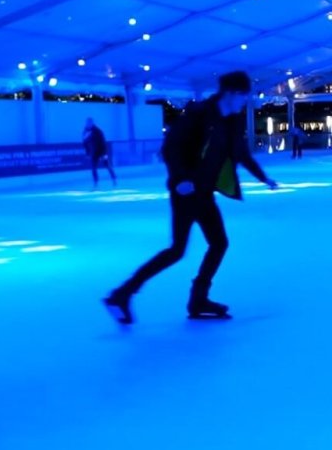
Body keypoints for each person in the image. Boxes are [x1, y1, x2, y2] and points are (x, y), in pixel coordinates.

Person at [103, 71, 278, 324]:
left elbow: (240, 153)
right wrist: (180, 179)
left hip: (205, 192)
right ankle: (122, 294)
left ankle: (198, 299)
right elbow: (171, 148)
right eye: (244, 96)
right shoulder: (199, 113)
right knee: (177, 250)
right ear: (232, 93)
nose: (245, 101)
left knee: (218, 243)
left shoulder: (233, 121)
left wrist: (264, 178)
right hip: (186, 192)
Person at [82, 118, 117, 190]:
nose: (88, 124)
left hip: (102, 151)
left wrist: (104, 153)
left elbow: (103, 142)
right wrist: (87, 152)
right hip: (94, 152)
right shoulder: (85, 131)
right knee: (93, 168)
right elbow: (85, 143)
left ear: (92, 123)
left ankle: (114, 179)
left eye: (90, 123)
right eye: (87, 123)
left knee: (107, 165)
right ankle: (96, 183)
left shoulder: (98, 131)